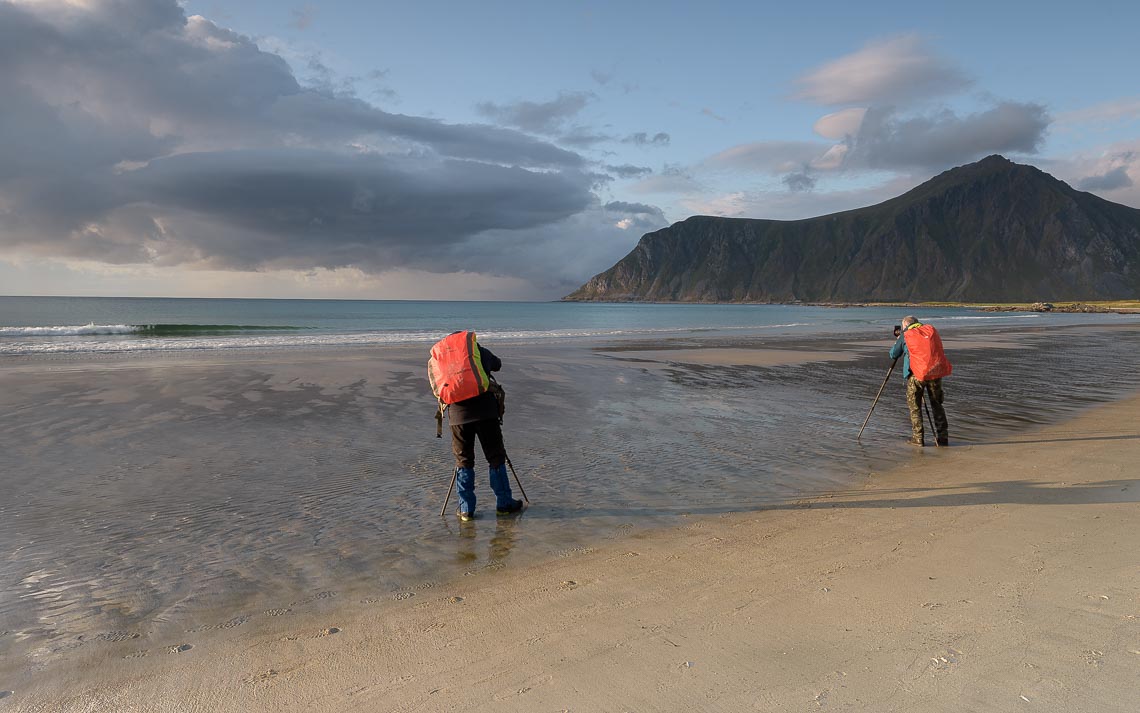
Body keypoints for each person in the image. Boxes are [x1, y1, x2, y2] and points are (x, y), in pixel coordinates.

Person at [446, 341, 523, 521]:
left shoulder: (444, 358)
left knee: (463, 460)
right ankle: (504, 504)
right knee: (496, 457)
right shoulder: (478, 352)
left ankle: (466, 510)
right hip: (486, 413)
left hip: (457, 416)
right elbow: (498, 364)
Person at [889, 316, 950, 447]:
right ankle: (943, 437)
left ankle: (918, 438)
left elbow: (893, 354)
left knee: (915, 407)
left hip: (915, 375)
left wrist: (898, 341)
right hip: (934, 372)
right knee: (937, 405)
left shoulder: (905, 335)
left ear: (905, 326)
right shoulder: (930, 331)